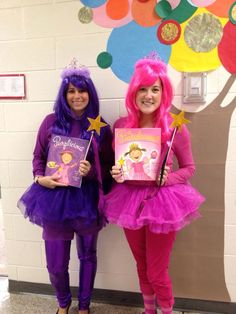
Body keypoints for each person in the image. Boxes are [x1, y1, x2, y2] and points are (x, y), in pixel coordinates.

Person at [103, 56, 205, 314]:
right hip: (129, 200)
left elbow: (190, 168)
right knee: (141, 265)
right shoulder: (122, 126)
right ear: (134, 92)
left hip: (163, 203)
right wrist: (117, 172)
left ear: (163, 93)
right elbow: (123, 167)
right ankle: (149, 310)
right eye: (143, 89)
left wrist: (166, 178)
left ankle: (167, 311)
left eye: (155, 89)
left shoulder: (175, 128)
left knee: (157, 270)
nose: (148, 95)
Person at [17, 59, 114, 314]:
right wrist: (40, 178)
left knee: (87, 256)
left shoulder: (100, 126)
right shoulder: (50, 122)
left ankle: (84, 306)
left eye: (82, 90)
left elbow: (109, 166)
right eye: (71, 91)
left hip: (87, 200)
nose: (77, 96)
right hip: (54, 199)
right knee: (56, 265)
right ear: (64, 94)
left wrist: (91, 171)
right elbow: (38, 156)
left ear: (89, 93)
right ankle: (63, 303)